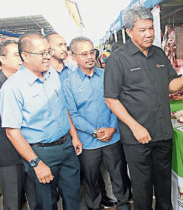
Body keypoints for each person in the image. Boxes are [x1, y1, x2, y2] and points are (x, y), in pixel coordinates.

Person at [103, 6, 183, 210]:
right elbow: (111, 99)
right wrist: (135, 127)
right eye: (142, 30)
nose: (149, 34)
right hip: (137, 138)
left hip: (162, 133)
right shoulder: (117, 59)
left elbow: (170, 85)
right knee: (143, 190)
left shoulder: (158, 53)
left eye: (151, 28)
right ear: (129, 31)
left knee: (164, 188)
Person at [0, 32, 83, 210]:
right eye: (42, 53)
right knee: (46, 203)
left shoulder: (52, 74)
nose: (48, 57)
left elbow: (63, 107)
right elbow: (12, 132)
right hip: (41, 153)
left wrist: (74, 136)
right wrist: (36, 163)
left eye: (48, 51)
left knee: (74, 196)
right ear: (26, 56)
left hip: (67, 147)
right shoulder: (12, 88)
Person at [63, 37, 131, 210]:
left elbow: (116, 103)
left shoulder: (106, 75)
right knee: (91, 182)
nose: (89, 57)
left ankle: (124, 205)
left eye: (92, 52)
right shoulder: (68, 83)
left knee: (119, 177)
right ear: (73, 56)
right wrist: (94, 132)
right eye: (84, 53)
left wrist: (112, 128)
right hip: (88, 142)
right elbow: (72, 113)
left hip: (112, 137)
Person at [0, 40, 37, 210]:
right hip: (8, 152)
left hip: (31, 148)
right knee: (13, 200)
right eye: (15, 55)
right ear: (2, 59)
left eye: (21, 54)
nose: (20, 59)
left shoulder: (26, 81)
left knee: (35, 196)